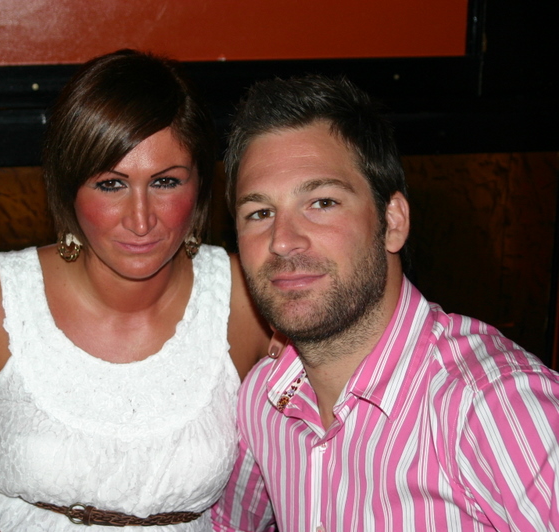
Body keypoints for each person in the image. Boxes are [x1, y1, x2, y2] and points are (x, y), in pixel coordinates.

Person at [0, 49, 270, 532]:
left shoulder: (247, 298)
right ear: (69, 188)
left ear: (199, 186)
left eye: (165, 182)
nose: (141, 220)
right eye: (111, 184)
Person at [211, 74, 559, 531]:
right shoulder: (265, 400)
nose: (282, 240)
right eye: (259, 212)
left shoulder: (497, 407)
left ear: (393, 222)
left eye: (322, 202)